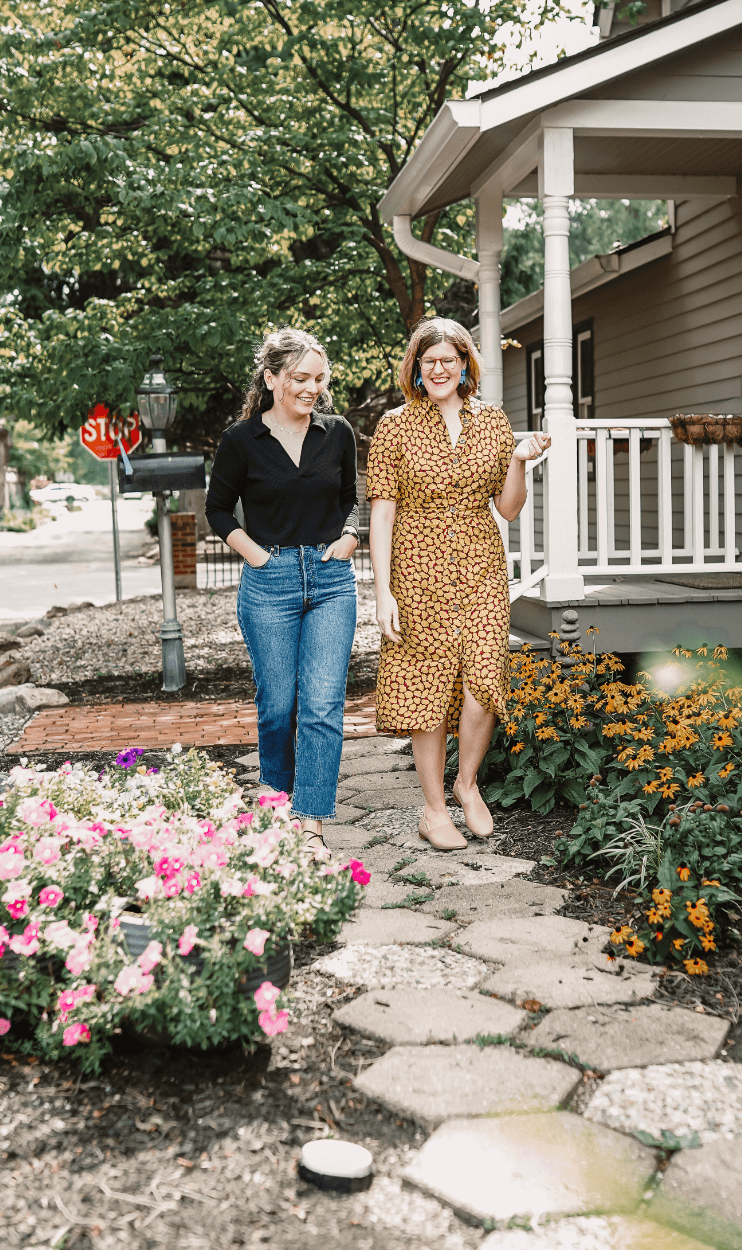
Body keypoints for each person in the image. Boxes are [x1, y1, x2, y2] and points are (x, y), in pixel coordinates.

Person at [367, 317, 549, 850]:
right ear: (416, 370)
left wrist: (517, 459)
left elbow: (508, 509)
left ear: (465, 363)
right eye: (429, 361)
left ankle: (466, 785)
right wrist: (382, 593)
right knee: (425, 690)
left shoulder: (493, 422)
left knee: (483, 683)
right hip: (417, 572)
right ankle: (432, 810)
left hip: (481, 569)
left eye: (449, 359)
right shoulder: (395, 426)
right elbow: (381, 515)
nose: (440, 368)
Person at [206, 328, 359, 851]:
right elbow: (218, 509)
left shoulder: (337, 433)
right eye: (300, 378)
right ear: (272, 379)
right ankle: (277, 808)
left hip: (330, 579)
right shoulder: (241, 440)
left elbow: (350, 497)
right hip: (268, 584)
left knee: (321, 706)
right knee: (277, 707)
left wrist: (350, 536)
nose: (312, 387)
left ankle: (310, 823)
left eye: (319, 378)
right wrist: (256, 555)